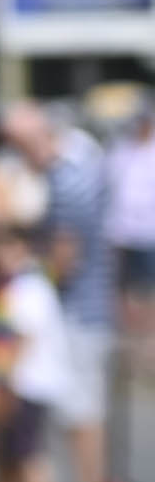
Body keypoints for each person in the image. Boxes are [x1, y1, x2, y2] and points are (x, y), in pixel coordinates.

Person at [3, 100, 117, 482]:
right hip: (80, 311)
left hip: (80, 314)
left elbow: (65, 257)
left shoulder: (65, 179)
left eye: (20, 143)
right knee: (78, 413)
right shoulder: (65, 172)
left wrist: (26, 261)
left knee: (82, 415)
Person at [0, 225, 71, 482]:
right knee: (25, 451)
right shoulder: (25, 285)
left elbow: (22, 337)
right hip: (29, 382)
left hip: (28, 383)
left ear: (22, 248)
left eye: (4, 247)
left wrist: (4, 381)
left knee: (30, 453)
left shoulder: (27, 287)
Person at [106, 102, 155, 376]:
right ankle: (131, 344)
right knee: (123, 291)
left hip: (148, 233)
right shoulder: (123, 149)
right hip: (122, 232)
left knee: (148, 292)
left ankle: (149, 345)